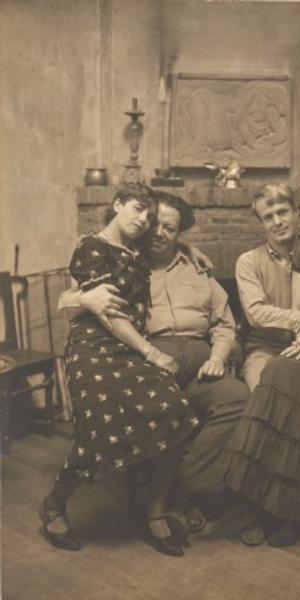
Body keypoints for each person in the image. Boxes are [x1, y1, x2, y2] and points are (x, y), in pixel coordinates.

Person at [60, 190, 249, 531]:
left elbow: (224, 324)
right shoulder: (126, 263)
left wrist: (219, 357)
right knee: (168, 409)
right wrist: (83, 297)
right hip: (153, 358)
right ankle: (175, 499)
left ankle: (185, 487)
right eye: (155, 225)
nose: (160, 233)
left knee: (237, 399)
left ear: (180, 234)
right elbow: (73, 300)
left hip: (203, 363)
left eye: (170, 228)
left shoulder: (198, 268)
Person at [39, 184, 202, 558]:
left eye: (150, 215)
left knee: (175, 410)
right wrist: (151, 352)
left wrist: (192, 250)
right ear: (117, 204)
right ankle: (53, 503)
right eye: (138, 209)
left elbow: (168, 246)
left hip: (127, 347)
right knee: (99, 428)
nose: (144, 219)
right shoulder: (91, 248)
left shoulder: (137, 249)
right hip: (94, 346)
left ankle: (155, 510)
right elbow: (107, 313)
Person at [221, 183, 300, 547]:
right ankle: (260, 508)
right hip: (265, 350)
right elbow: (254, 313)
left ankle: (285, 509)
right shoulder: (248, 262)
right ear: (261, 224)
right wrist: (298, 320)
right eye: (268, 217)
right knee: (267, 396)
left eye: (283, 212)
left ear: (296, 213)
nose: (277, 221)